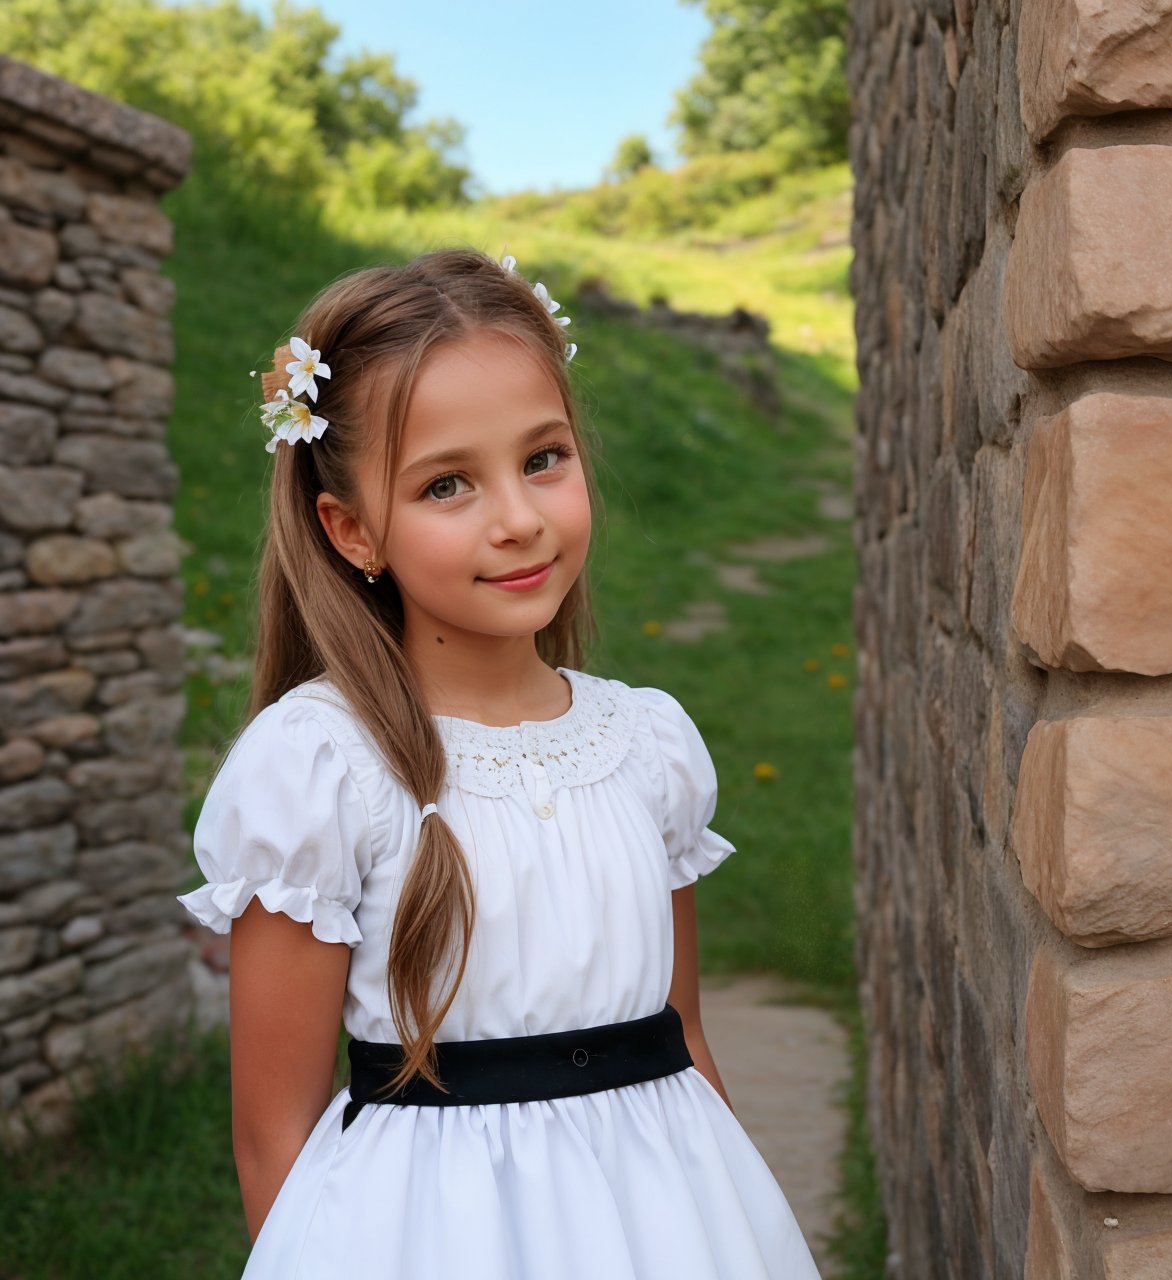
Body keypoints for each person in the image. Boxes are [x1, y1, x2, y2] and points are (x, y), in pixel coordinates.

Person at [177, 247, 822, 1278]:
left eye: (542, 459)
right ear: (349, 530)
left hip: (668, 1219)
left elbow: (685, 1035)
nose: (517, 517)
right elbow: (273, 1137)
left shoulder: (643, 742)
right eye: (446, 484)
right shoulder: (321, 767)